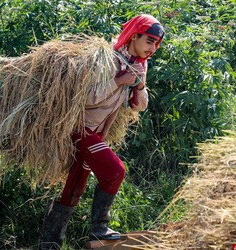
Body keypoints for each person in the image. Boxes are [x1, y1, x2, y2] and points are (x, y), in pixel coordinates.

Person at [39, 14, 165, 250]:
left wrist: (138, 85)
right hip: (79, 129)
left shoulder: (139, 64)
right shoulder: (107, 59)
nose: (153, 48)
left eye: (157, 43)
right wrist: (119, 81)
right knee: (115, 171)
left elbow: (139, 106)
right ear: (134, 36)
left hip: (96, 131)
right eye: (149, 41)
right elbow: (84, 99)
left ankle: (50, 244)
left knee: (74, 186)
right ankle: (99, 228)